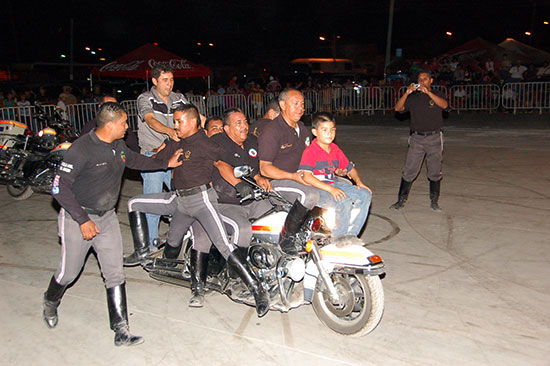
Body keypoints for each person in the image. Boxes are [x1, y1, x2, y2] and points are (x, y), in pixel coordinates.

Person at [43, 102, 183, 346]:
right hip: (78, 217)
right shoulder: (82, 149)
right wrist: (83, 220)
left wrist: (165, 163)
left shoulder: (118, 145)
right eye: (124, 123)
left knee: (115, 273)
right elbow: (58, 187)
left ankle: (121, 330)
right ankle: (50, 302)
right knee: (69, 272)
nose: (127, 128)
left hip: (106, 217)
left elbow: (136, 160)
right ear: (110, 125)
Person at [122, 104, 270, 317]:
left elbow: (221, 162)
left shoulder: (207, 143)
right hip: (179, 201)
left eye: (179, 121)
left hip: (201, 201)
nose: (175, 126)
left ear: (192, 122)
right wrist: (166, 160)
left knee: (224, 244)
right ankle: (143, 252)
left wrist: (238, 183)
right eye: (174, 121)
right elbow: (156, 159)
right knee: (138, 206)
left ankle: (257, 291)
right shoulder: (177, 140)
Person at [188, 107, 273, 307]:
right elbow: (221, 164)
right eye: (238, 123)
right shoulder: (218, 142)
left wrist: (260, 178)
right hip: (225, 202)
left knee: (276, 217)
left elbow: (254, 168)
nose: (244, 126)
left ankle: (265, 262)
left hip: (252, 199)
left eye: (245, 121)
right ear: (226, 129)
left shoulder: (252, 142)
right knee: (242, 228)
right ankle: (237, 280)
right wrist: (239, 185)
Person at [134, 65, 192, 252]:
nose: (169, 84)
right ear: (155, 81)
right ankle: (151, 245)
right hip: (154, 156)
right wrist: (170, 131)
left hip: (174, 154)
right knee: (153, 202)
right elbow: (150, 120)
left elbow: (195, 117)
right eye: (165, 80)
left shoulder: (179, 98)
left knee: (183, 198)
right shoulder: (145, 98)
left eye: (172, 80)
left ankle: (178, 239)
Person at [258, 88, 319, 254]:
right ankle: (286, 239)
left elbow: (313, 157)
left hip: (300, 178)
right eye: (296, 103)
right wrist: (292, 176)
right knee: (310, 195)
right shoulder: (271, 130)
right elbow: (265, 168)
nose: (300, 108)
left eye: (302, 104)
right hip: (276, 183)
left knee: (343, 187)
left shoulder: (303, 129)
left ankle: (340, 235)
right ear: (282, 105)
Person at [299, 112, 372, 238]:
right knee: (343, 201)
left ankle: (351, 234)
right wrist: (331, 189)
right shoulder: (311, 151)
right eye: (324, 130)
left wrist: (359, 182)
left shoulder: (334, 149)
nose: (329, 133)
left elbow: (350, 168)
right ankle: (339, 237)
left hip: (333, 184)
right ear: (315, 132)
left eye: (332, 130)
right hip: (317, 189)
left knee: (365, 194)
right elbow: (307, 176)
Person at [390, 70, 448, 211]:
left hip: (434, 137)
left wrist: (428, 93)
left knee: (434, 171)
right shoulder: (413, 98)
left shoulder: (437, 94)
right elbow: (398, 108)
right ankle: (401, 200)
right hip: (417, 138)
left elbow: (444, 106)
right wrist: (406, 93)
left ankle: (434, 201)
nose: (422, 82)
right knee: (409, 170)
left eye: (425, 79)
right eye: (420, 79)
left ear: (431, 81)